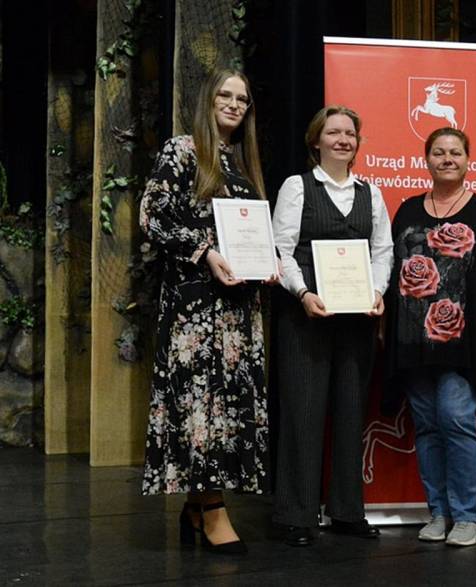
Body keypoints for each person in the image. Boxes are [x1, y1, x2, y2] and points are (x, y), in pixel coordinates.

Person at [140, 69, 277, 554]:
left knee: (226, 409)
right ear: (209, 99)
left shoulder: (242, 163)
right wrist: (205, 252)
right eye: (226, 95)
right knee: (201, 406)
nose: (235, 104)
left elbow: (249, 232)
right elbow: (152, 215)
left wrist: (268, 261)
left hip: (239, 309)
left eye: (243, 98)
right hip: (195, 308)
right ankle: (214, 509)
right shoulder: (183, 150)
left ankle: (197, 509)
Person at [383, 127, 476, 547]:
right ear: (426, 160)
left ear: (467, 160)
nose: (447, 159)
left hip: (467, 341)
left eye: (455, 153)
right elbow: (387, 267)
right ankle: (438, 513)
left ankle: (464, 517)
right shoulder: (407, 209)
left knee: (456, 419)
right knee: (426, 426)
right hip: (412, 340)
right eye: (439, 152)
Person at [271, 105, 392, 546]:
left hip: (357, 319)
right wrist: (303, 293)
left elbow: (383, 252)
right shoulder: (297, 187)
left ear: (358, 144)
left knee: (350, 412)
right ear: (316, 141)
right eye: (334, 132)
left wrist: (377, 290)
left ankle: (346, 511)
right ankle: (295, 515)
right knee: (303, 414)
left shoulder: (370, 193)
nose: (343, 140)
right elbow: (281, 250)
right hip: (306, 317)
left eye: (350, 134)